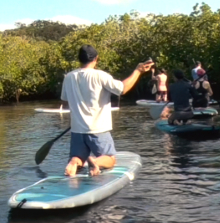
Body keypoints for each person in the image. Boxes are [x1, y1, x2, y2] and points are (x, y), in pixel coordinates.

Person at [58, 44, 153, 177]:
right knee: (110, 159)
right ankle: (95, 161)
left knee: (77, 157)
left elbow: (65, 100)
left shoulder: (68, 77)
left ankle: (73, 164)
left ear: (79, 59)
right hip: (98, 129)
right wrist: (138, 71)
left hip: (77, 129)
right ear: (96, 58)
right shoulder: (100, 75)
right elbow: (122, 89)